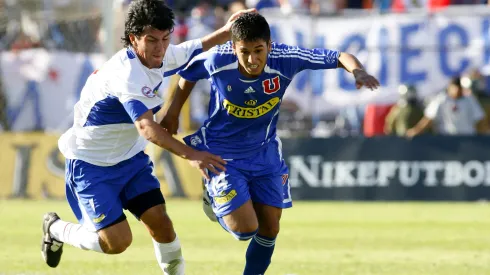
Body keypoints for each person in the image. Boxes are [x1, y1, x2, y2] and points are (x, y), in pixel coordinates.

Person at [41, 1, 255, 274]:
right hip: (92, 165)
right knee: (117, 242)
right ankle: (56, 229)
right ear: (133, 39)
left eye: (165, 39)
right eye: (152, 40)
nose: (160, 48)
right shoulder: (125, 72)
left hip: (130, 160)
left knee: (161, 223)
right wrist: (193, 156)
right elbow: (147, 128)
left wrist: (227, 30)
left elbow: (193, 48)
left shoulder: (159, 55)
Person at [161, 13, 379, 275]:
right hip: (221, 154)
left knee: (271, 227)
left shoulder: (285, 58)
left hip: (264, 152)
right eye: (244, 52)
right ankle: (212, 198)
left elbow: (338, 56)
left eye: (258, 51)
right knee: (245, 230)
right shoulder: (217, 58)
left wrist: (358, 71)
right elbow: (187, 74)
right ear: (233, 47)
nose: (252, 60)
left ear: (270, 45)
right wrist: (173, 113)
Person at [406, 76, 486, 137]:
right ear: (450, 87)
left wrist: (483, 135)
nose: (458, 90)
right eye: (456, 87)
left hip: (467, 138)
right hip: (446, 139)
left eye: (460, 88)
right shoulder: (441, 99)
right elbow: (429, 118)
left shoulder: (469, 100)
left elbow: (480, 119)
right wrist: (417, 130)